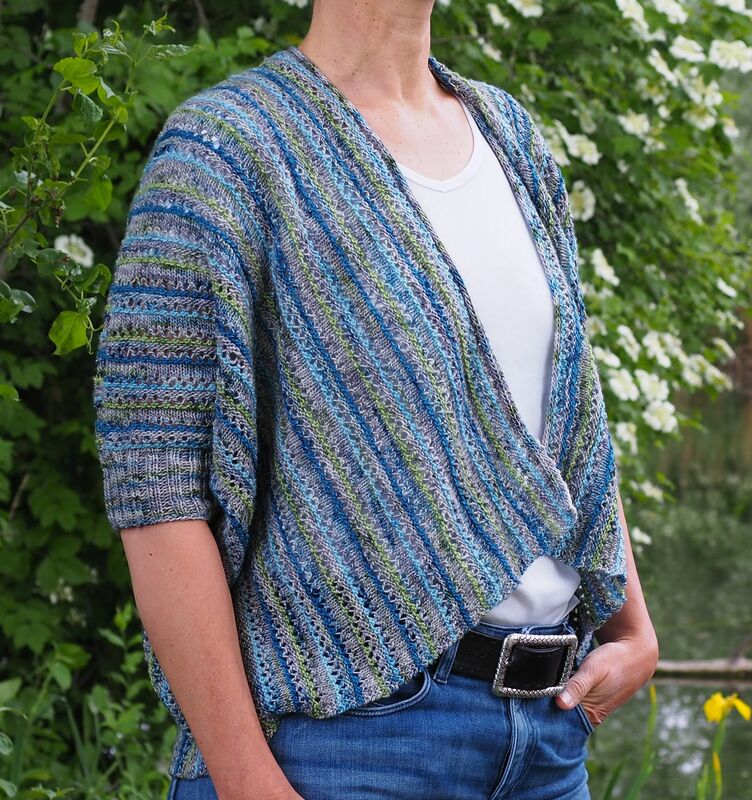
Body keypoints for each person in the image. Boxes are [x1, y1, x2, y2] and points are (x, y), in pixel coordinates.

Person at [92, 1, 659, 798]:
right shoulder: (227, 150)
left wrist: (634, 627)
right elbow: (156, 487)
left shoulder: (510, 135)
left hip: (547, 743)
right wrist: (246, 779)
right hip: (339, 748)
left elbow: (569, 423)